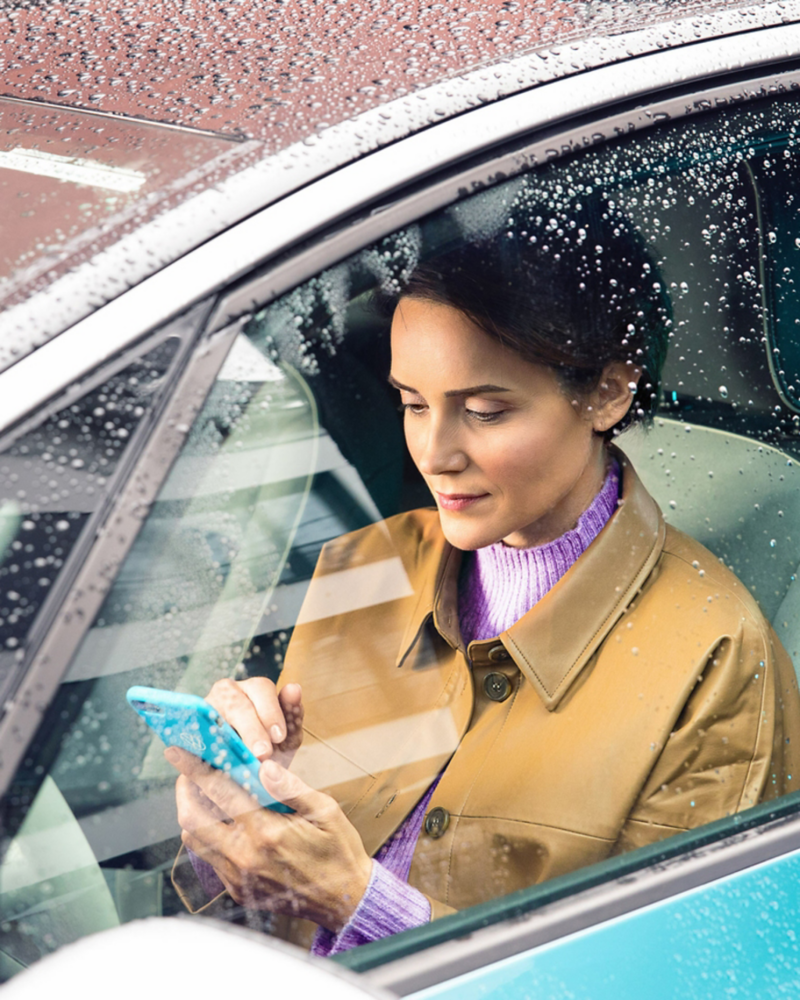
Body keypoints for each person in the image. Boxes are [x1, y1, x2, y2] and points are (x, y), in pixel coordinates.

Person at [167, 194, 800, 954]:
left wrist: (358, 902)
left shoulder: (722, 660)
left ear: (607, 391)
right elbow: (260, 914)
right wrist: (228, 835)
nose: (434, 452)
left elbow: (672, 972)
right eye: (411, 403)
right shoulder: (369, 563)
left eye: (487, 411)